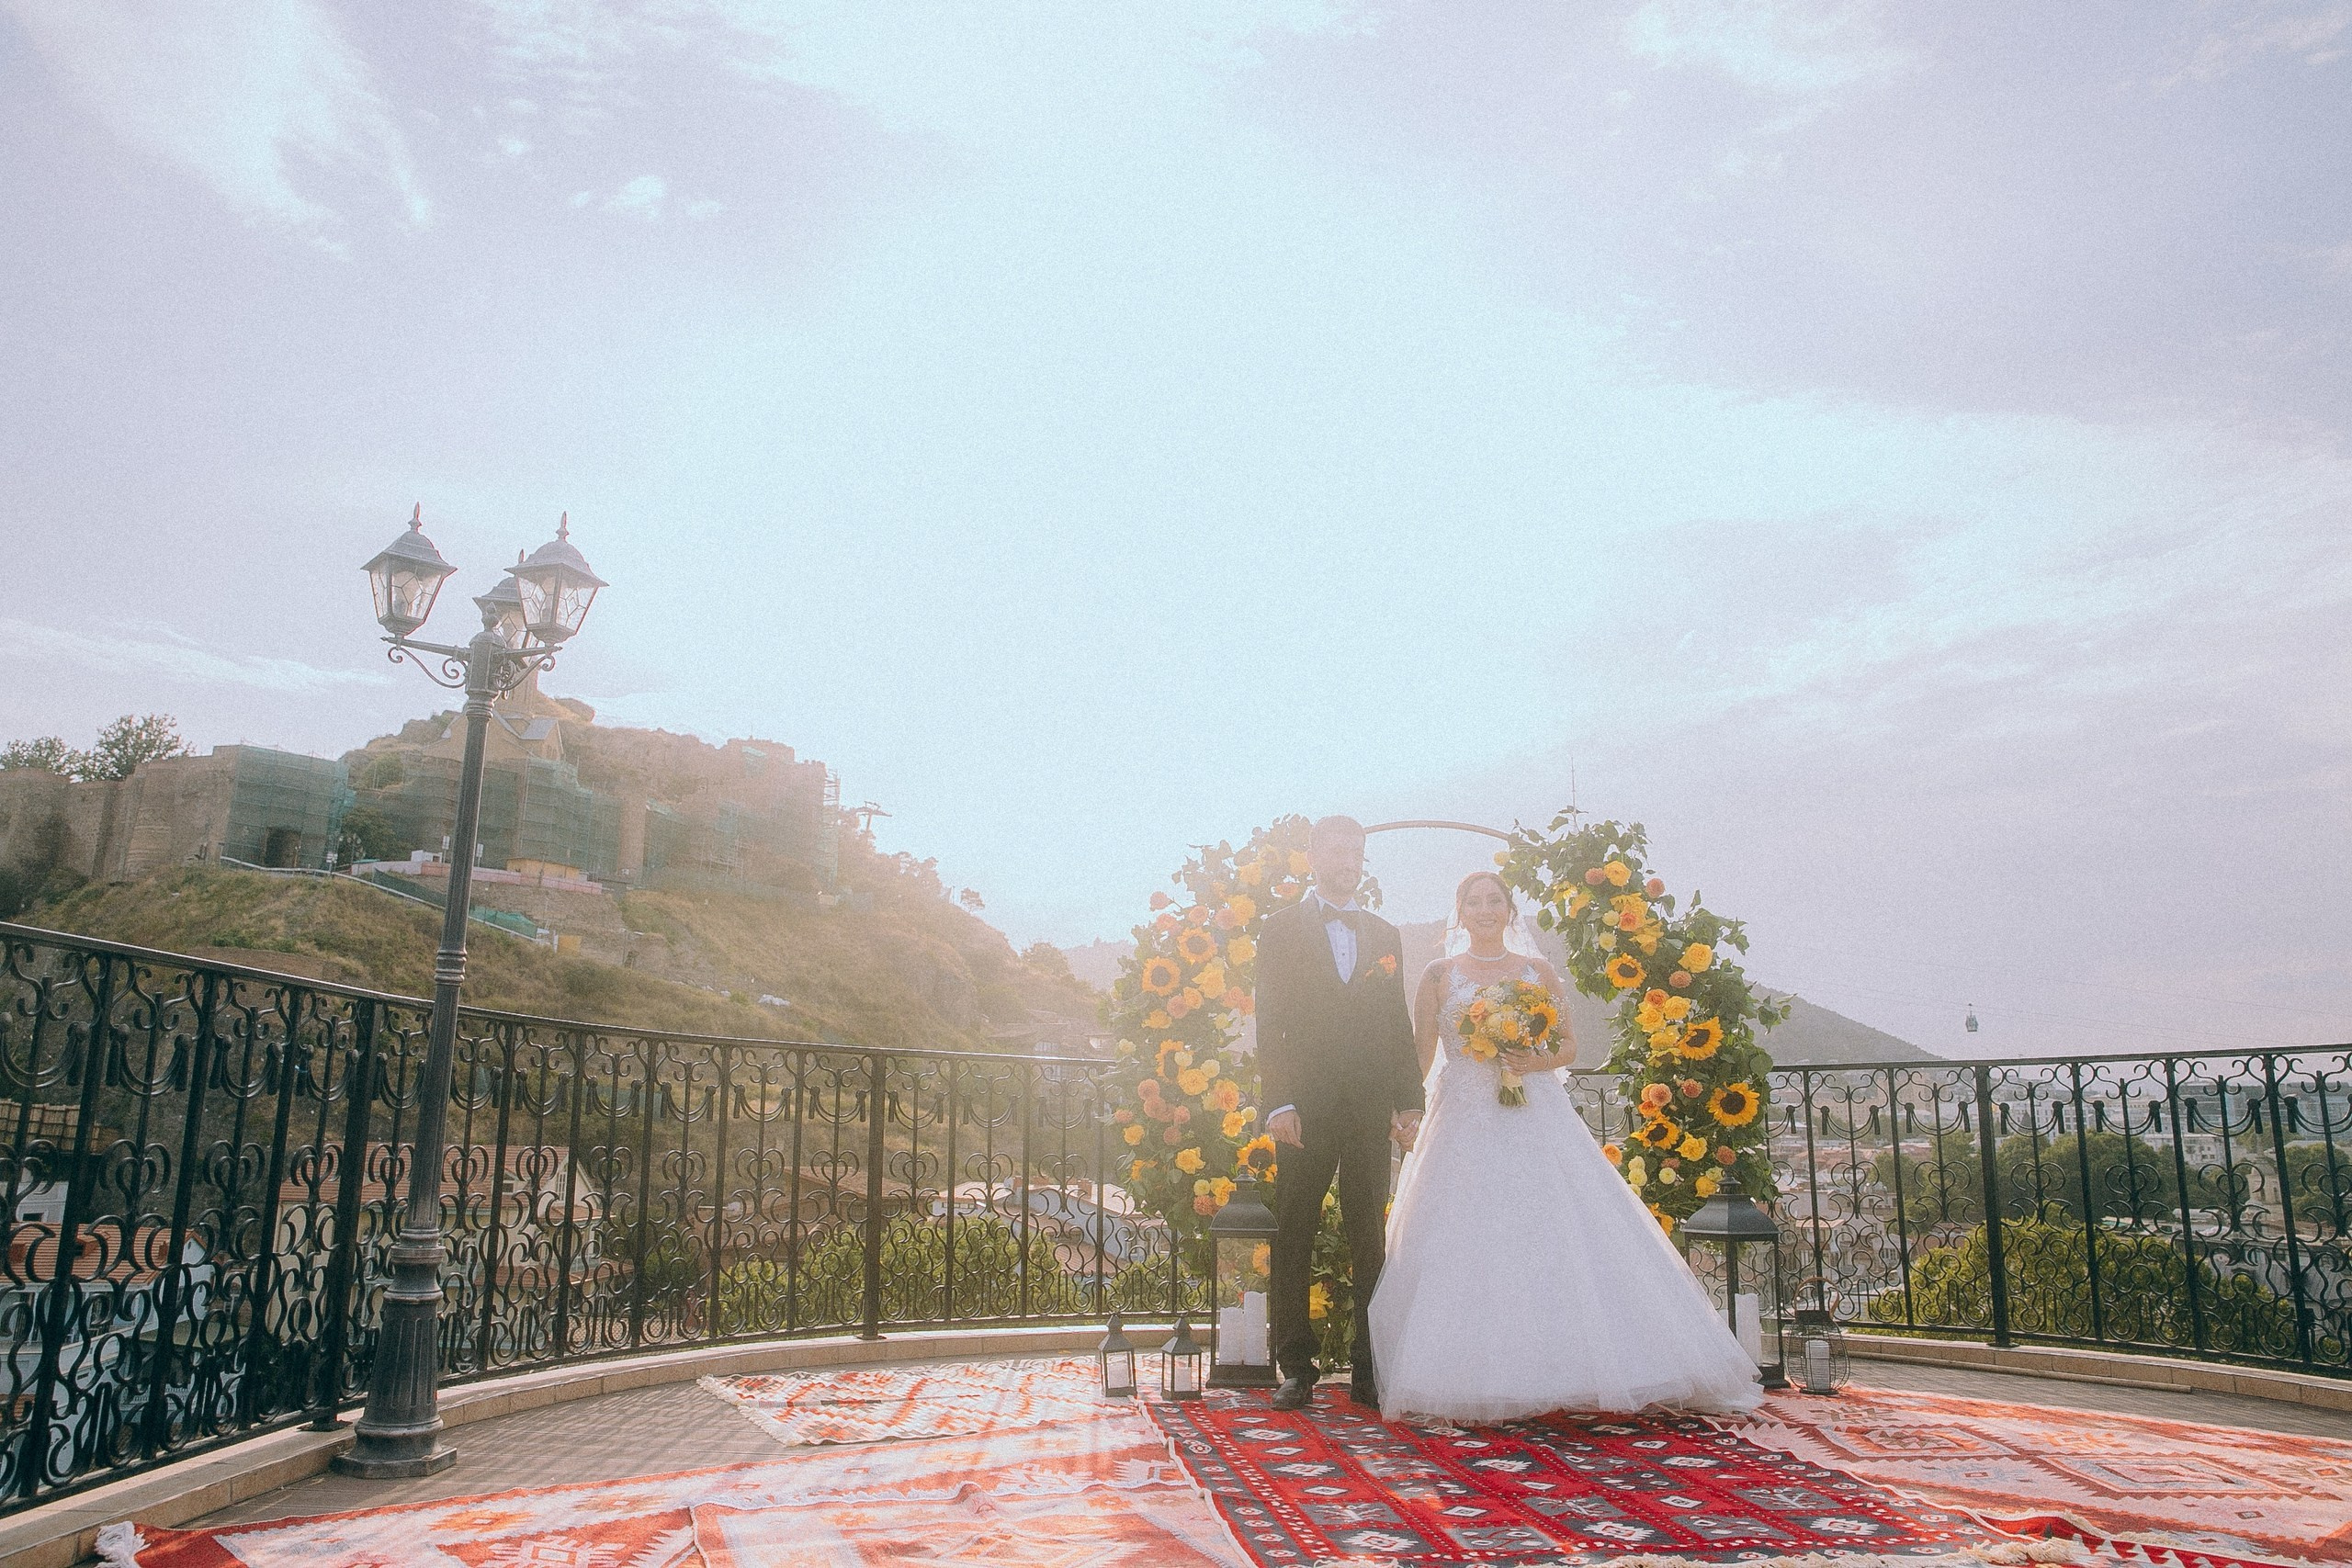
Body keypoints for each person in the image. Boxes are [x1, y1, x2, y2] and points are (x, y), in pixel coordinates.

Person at [1366, 869, 1762, 1423]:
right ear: (1459, 911)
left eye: (1494, 901)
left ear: (1510, 910)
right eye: (1474, 902)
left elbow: (1569, 1044)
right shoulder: (1436, 976)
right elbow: (1421, 1055)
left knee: (1554, 1228)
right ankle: (1469, 1375)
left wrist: (1533, 1062)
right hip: (1462, 1115)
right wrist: (1406, 1112)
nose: (1485, 910)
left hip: (1533, 1111)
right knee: (1465, 1234)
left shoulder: (1538, 971)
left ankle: (1580, 1368)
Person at [1254, 815, 1423, 1412]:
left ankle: (1369, 1370)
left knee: (1369, 1238)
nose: (1349, 860)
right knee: (1293, 1231)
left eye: (1358, 851)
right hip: (1303, 1109)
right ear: (1313, 856)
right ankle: (1295, 1366)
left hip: (1369, 1107)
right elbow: (1268, 1023)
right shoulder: (1278, 930)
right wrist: (1278, 1102)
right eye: (1338, 850)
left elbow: (1396, 1024)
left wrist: (1408, 1101)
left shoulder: (1384, 933)